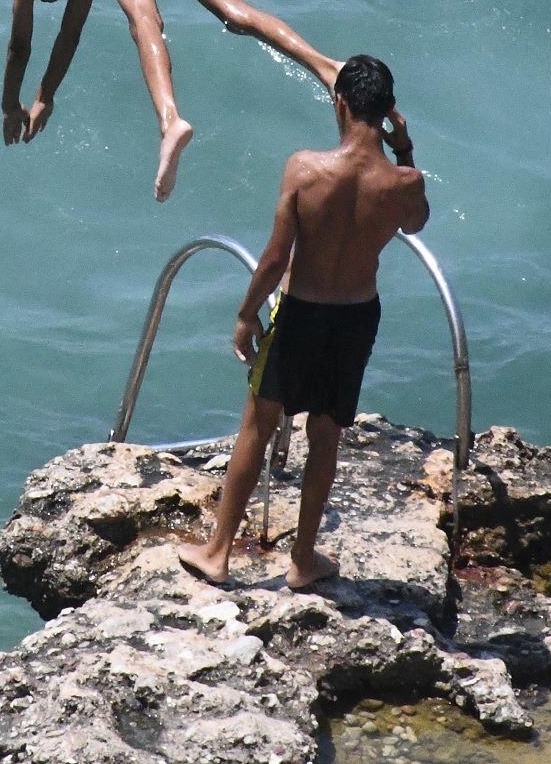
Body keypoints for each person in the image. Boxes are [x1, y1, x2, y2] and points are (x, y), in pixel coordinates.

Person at [176, 54, 428, 590]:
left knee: (258, 425)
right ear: (387, 114)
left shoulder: (304, 168)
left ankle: (218, 553)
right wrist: (403, 148)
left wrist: (246, 314)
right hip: (357, 317)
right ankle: (303, 559)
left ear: (339, 103)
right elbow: (418, 222)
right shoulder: (402, 181)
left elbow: (273, 258)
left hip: (301, 314)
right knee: (326, 434)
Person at [1, 0, 342, 202]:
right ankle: (329, 69)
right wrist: (45, 97)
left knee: (143, 19)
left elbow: (19, 46)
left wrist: (9, 105)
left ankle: (170, 122)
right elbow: (69, 34)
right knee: (234, 14)